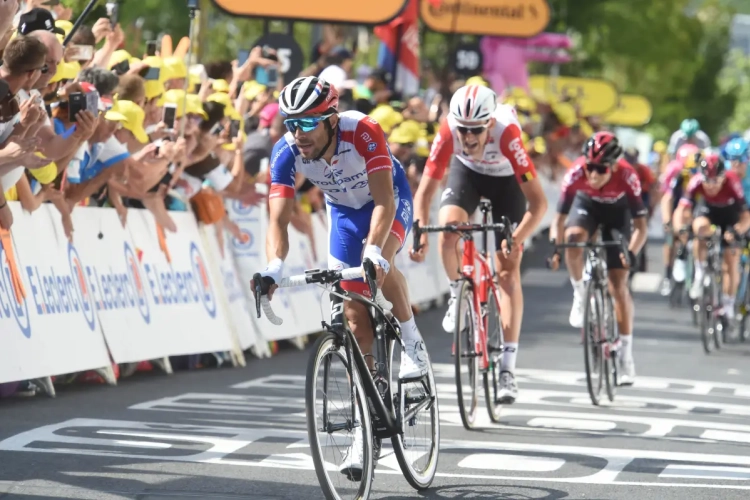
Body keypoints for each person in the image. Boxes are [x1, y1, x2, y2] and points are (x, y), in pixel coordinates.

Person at [252, 76, 431, 478]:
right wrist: (273, 268)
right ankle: (365, 425)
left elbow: (385, 199)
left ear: (331, 119)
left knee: (380, 268)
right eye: (290, 123)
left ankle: (413, 343)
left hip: (387, 201)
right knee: (352, 313)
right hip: (345, 217)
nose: (298, 133)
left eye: (307, 123)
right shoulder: (286, 151)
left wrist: (373, 254)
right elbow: (277, 221)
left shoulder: (362, 131)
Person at [410, 84, 548, 404]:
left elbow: (538, 205)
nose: (468, 137)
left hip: (506, 184)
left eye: (475, 130)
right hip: (467, 174)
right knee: (448, 231)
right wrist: (418, 233)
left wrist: (516, 239)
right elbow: (425, 194)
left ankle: (508, 371)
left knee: (507, 272)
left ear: (489, 124)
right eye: (462, 130)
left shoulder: (508, 135)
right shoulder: (447, 133)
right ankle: (458, 292)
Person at [548, 131, 648, 385]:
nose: (592, 174)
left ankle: (626, 356)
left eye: (600, 169)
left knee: (618, 285)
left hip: (618, 214)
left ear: (613, 166)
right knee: (574, 239)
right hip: (587, 208)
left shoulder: (628, 175)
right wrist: (555, 249)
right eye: (590, 167)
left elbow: (641, 228)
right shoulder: (577, 172)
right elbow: (558, 220)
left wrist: (631, 253)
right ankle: (580, 292)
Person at [674, 154, 750, 323]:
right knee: (699, 229)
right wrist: (681, 229)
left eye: (716, 181)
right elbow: (681, 209)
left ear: (724, 177)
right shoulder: (696, 182)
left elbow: (746, 215)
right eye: (707, 181)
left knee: (731, 261)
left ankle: (729, 303)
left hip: (731, 215)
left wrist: (737, 231)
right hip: (708, 211)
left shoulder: (732, 181)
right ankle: (700, 273)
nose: (711, 186)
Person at [658, 143, 701, 294]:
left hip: (694, 205)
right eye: (687, 170)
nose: (690, 173)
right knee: (670, 239)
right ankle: (667, 275)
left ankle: (699, 274)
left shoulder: (700, 177)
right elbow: (667, 199)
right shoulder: (676, 175)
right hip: (678, 203)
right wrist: (666, 221)